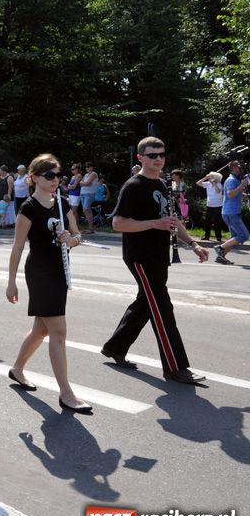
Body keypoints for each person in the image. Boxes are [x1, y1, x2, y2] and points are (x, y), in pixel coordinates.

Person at [100, 137, 209, 384]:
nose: (157, 158)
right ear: (140, 158)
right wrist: (154, 224)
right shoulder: (133, 186)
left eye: (161, 154)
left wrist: (193, 243)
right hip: (140, 257)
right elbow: (117, 223)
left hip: (159, 255)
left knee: (146, 302)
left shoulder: (162, 184)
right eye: (151, 155)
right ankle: (175, 367)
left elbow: (172, 220)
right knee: (161, 306)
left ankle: (115, 347)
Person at [5, 154, 92, 413]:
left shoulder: (62, 203)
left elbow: (77, 236)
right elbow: (18, 246)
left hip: (60, 271)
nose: (55, 180)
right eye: (49, 176)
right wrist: (11, 282)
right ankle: (66, 393)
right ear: (34, 178)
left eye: (58, 175)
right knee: (59, 331)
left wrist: (71, 240)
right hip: (40, 273)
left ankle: (17, 369)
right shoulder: (29, 208)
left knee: (41, 330)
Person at [214, 161, 248, 265]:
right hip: (231, 213)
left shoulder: (235, 179)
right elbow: (230, 194)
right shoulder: (231, 179)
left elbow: (235, 192)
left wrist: (244, 195)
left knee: (234, 239)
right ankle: (220, 248)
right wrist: (242, 185)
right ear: (233, 168)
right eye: (240, 166)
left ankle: (221, 257)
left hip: (231, 212)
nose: (242, 168)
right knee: (244, 235)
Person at [196, 171, 225, 242]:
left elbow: (218, 191)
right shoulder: (207, 184)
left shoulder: (219, 184)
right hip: (209, 205)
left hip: (217, 206)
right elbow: (198, 183)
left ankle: (218, 237)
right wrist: (205, 177)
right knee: (207, 221)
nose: (210, 178)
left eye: (211, 177)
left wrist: (214, 183)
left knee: (217, 222)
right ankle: (207, 236)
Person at [79, 162, 98, 234]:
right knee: (87, 210)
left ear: (92, 167)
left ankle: (90, 228)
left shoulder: (94, 174)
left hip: (89, 194)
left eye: (88, 166)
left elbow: (86, 183)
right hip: (83, 193)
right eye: (86, 167)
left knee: (86, 210)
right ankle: (90, 228)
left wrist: (83, 183)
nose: (87, 168)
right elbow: (83, 183)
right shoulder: (86, 175)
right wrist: (84, 183)